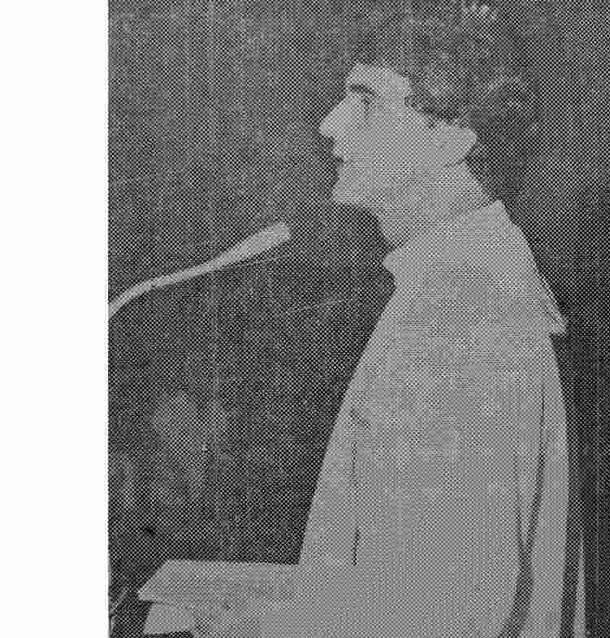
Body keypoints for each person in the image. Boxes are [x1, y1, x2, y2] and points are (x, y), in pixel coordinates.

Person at [213, 4, 584, 637]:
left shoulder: (458, 322)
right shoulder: (459, 287)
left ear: (452, 137)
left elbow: (439, 618)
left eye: (365, 104)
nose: (330, 126)